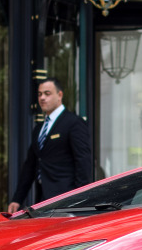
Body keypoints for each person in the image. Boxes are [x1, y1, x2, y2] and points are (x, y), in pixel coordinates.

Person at [8, 78, 92, 213]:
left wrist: (79, 200)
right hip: (42, 199)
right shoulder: (39, 129)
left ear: (60, 95)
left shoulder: (73, 123)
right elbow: (30, 166)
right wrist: (17, 198)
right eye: (40, 94)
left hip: (65, 199)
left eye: (47, 93)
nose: (42, 98)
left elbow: (83, 162)